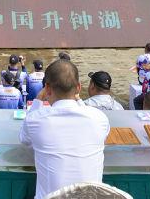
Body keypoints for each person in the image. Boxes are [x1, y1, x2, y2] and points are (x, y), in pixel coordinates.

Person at [20, 59, 110, 199]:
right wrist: (79, 101)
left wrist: (37, 101)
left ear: (47, 89)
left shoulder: (35, 120)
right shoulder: (100, 119)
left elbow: (24, 140)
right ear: (79, 88)